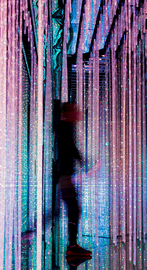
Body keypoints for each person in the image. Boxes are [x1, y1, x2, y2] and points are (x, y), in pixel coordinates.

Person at [56, 102, 92, 257]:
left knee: (66, 210)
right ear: (69, 113)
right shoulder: (65, 128)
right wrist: (83, 160)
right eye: (75, 111)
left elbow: (70, 148)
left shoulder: (65, 127)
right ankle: (72, 246)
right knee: (73, 209)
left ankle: (72, 244)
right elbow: (70, 148)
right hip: (64, 176)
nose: (78, 113)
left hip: (64, 175)